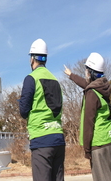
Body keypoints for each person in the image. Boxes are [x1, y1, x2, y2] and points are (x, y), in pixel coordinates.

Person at [64, 52, 111, 181]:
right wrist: (71, 75)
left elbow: (88, 123)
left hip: (98, 144)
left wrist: (87, 150)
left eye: (87, 70)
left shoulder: (92, 94)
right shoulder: (102, 87)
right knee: (110, 175)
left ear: (91, 72)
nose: (85, 73)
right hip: (109, 139)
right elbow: (86, 84)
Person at [19, 38, 65, 181]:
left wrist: (21, 102)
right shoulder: (55, 80)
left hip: (41, 139)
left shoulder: (31, 79)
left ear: (32, 58)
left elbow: (23, 111)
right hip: (58, 138)